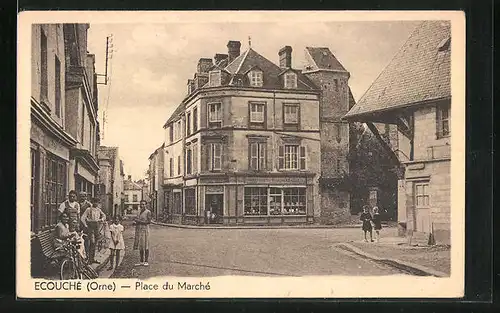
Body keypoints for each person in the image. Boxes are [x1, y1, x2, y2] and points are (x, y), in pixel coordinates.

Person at [81, 197, 106, 264]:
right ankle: (89, 259)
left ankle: (93, 258)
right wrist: (85, 225)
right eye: (94, 202)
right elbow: (82, 218)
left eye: (97, 202)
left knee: (95, 243)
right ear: (92, 202)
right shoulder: (88, 209)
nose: (96, 203)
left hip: (96, 226)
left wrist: (102, 219)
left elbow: (104, 215)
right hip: (90, 227)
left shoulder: (98, 210)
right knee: (91, 242)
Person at [133, 200, 151, 266]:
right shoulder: (138, 211)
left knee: (146, 245)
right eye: (141, 204)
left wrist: (139, 221)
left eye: (143, 204)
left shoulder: (148, 212)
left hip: (145, 230)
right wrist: (135, 222)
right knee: (141, 246)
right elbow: (137, 219)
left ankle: (146, 261)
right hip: (139, 230)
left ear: (146, 205)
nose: (142, 205)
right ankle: (141, 261)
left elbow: (149, 222)